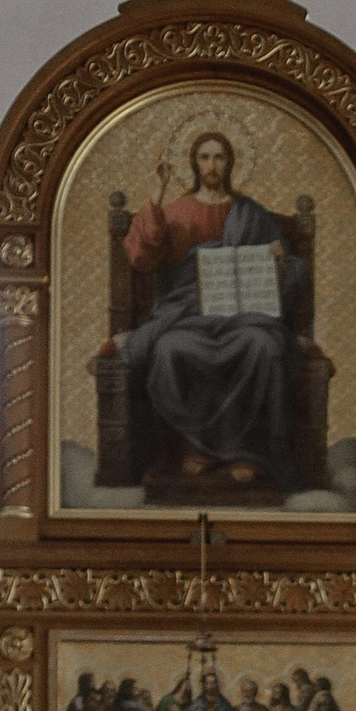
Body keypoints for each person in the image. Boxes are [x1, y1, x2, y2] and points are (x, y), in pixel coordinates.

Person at [121, 129, 309, 495]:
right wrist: (157, 193)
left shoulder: (251, 214)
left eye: (219, 157)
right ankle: (194, 449)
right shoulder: (176, 212)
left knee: (262, 346)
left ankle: (248, 454)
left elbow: (292, 269)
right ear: (195, 163)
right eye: (204, 157)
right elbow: (142, 257)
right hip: (188, 315)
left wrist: (278, 262)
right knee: (170, 349)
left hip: (245, 315)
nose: (212, 165)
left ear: (230, 163)